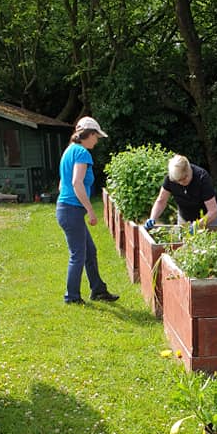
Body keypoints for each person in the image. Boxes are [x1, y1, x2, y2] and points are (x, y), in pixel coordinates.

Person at [56, 116, 119, 305]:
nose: (97, 140)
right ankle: (72, 297)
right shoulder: (82, 153)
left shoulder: (69, 151)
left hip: (66, 209)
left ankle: (98, 290)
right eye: (96, 136)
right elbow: (76, 183)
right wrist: (90, 210)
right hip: (72, 211)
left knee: (89, 251)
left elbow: (62, 185)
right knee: (78, 255)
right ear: (89, 134)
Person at [147, 154, 217, 231]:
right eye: (177, 180)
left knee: (210, 239)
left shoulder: (202, 177)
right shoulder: (171, 178)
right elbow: (161, 201)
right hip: (185, 215)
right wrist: (152, 218)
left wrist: (197, 225)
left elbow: (213, 211)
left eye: (183, 178)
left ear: (189, 170)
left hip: (208, 216)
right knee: (182, 240)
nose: (181, 183)